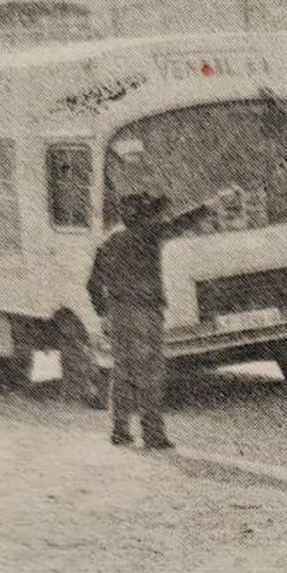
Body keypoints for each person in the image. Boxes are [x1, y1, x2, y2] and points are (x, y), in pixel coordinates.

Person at [87, 192, 206, 451]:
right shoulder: (148, 236)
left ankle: (119, 431)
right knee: (151, 374)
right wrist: (207, 207)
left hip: (119, 314)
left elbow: (92, 285)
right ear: (143, 217)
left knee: (123, 372)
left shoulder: (108, 243)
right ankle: (153, 436)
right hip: (146, 312)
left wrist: (104, 314)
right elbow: (179, 223)